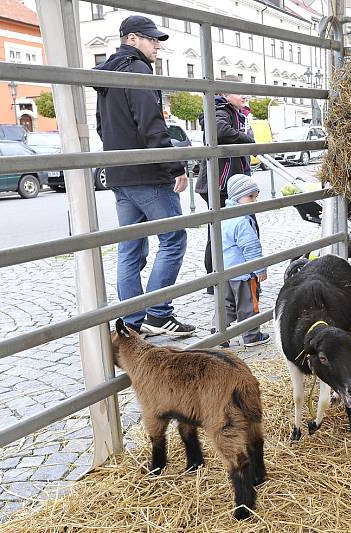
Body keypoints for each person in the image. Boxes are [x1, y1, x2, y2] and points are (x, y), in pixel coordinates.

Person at [94, 15, 194, 337]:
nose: (157, 48)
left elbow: (100, 125)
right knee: (174, 238)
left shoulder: (106, 77)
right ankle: (158, 312)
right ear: (132, 39)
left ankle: (132, 322)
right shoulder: (137, 71)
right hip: (149, 174)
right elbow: (152, 125)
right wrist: (174, 167)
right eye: (153, 41)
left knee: (130, 249)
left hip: (120, 174)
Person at [195, 75, 256, 293]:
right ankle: (218, 281)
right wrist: (246, 139)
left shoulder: (233, 112)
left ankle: (222, 279)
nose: (243, 95)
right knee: (222, 231)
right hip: (221, 184)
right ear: (223, 94)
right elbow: (220, 131)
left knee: (222, 230)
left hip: (225, 182)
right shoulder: (220, 110)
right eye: (237, 90)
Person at [213, 174, 270, 347]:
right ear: (237, 197)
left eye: (256, 196)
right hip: (244, 274)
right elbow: (251, 247)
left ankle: (219, 333)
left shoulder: (223, 217)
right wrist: (260, 269)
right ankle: (252, 336)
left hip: (226, 272)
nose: (254, 201)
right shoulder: (242, 220)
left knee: (226, 304)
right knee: (248, 305)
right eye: (250, 197)